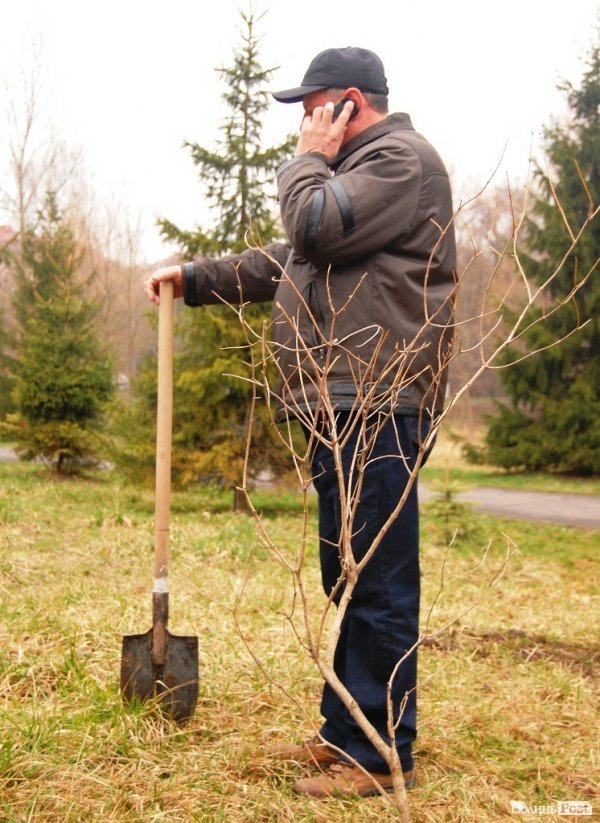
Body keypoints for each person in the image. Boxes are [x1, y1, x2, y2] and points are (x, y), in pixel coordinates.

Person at [145, 46, 456, 799]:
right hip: (340, 398)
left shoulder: (400, 162)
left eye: (312, 108)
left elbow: (311, 226)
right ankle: (346, 728)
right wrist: (196, 279)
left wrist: (306, 161)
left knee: (378, 576)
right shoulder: (353, 179)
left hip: (379, 397)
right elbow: (294, 258)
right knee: (347, 571)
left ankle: (383, 753)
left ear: (348, 103)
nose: (304, 126)